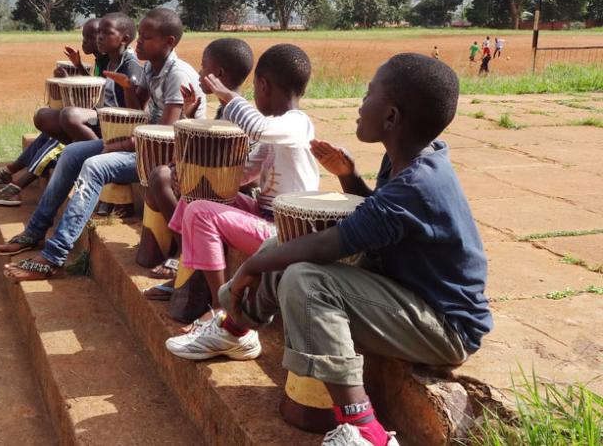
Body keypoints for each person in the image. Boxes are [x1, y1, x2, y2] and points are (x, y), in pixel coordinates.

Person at [166, 53, 493, 446]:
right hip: (409, 296)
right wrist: (351, 178)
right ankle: (236, 329)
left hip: (444, 327)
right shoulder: (411, 160)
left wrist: (254, 263)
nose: (360, 101)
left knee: (306, 278)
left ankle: (366, 432)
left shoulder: (417, 185)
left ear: (390, 117)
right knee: (287, 245)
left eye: (369, 92)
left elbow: (328, 243)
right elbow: (382, 219)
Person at [0, 8, 205, 279]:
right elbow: (137, 111)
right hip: (144, 145)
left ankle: (53, 256)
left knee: (95, 167)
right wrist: (131, 90)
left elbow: (165, 134)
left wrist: (117, 146)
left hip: (165, 156)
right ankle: (35, 231)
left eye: (147, 37)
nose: (139, 42)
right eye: (139, 36)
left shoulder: (178, 74)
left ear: (169, 42)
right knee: (72, 153)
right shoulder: (151, 68)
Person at [157, 44, 320, 324]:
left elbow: (258, 128)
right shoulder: (278, 130)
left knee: (200, 212)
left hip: (282, 234)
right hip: (264, 218)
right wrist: (196, 179)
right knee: (195, 198)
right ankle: (187, 275)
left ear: (263, 85)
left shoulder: (297, 124)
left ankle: (224, 309)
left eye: (254, 88)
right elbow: (242, 176)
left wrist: (228, 97)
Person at [0, 13, 142, 207]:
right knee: (44, 118)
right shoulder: (108, 60)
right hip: (99, 121)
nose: (98, 38)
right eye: (96, 34)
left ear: (124, 38)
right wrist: (77, 69)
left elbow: (134, 112)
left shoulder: (129, 67)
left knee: (60, 137)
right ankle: (10, 173)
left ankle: (15, 186)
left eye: (104, 33)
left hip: (113, 131)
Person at [143, 38, 255, 281]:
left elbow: (230, 167)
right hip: (214, 186)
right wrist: (190, 114)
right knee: (162, 175)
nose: (200, 72)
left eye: (204, 67)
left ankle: (185, 253)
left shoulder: (239, 114)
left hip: (228, 191)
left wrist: (183, 170)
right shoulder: (226, 109)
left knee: (162, 177)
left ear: (219, 74)